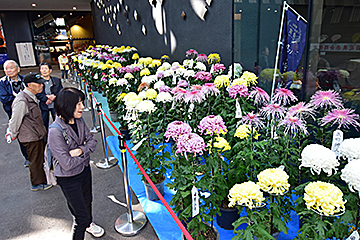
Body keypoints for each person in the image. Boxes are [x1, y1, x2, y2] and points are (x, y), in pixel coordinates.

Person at [48, 87, 104, 239]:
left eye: (82, 103)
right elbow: (66, 163)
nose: (82, 107)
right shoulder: (55, 131)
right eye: (78, 104)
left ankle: (89, 224)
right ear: (66, 105)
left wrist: (79, 151)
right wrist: (85, 151)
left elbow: (93, 142)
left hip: (84, 170)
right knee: (81, 217)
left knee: (87, 201)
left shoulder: (78, 120)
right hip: (68, 178)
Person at [5, 73, 52, 191]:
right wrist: (13, 133)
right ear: (30, 85)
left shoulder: (31, 96)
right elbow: (15, 120)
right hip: (31, 136)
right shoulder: (22, 100)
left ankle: (42, 178)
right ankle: (37, 183)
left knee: (39, 158)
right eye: (39, 84)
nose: (41, 85)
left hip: (36, 133)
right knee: (35, 161)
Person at [0, 60, 29, 167]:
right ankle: (27, 157)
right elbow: (4, 99)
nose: (8, 70)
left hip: (29, 111)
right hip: (14, 113)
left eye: (11, 68)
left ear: (18, 69)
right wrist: (16, 97)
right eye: (6, 68)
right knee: (20, 134)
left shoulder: (25, 79)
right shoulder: (2, 82)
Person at [37, 62, 63, 129]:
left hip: (55, 105)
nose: (44, 70)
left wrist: (54, 97)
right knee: (44, 124)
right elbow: (37, 94)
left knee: (58, 123)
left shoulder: (56, 80)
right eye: (42, 69)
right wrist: (47, 98)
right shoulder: (37, 82)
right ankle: (45, 139)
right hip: (43, 105)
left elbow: (61, 91)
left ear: (50, 70)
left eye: (46, 68)